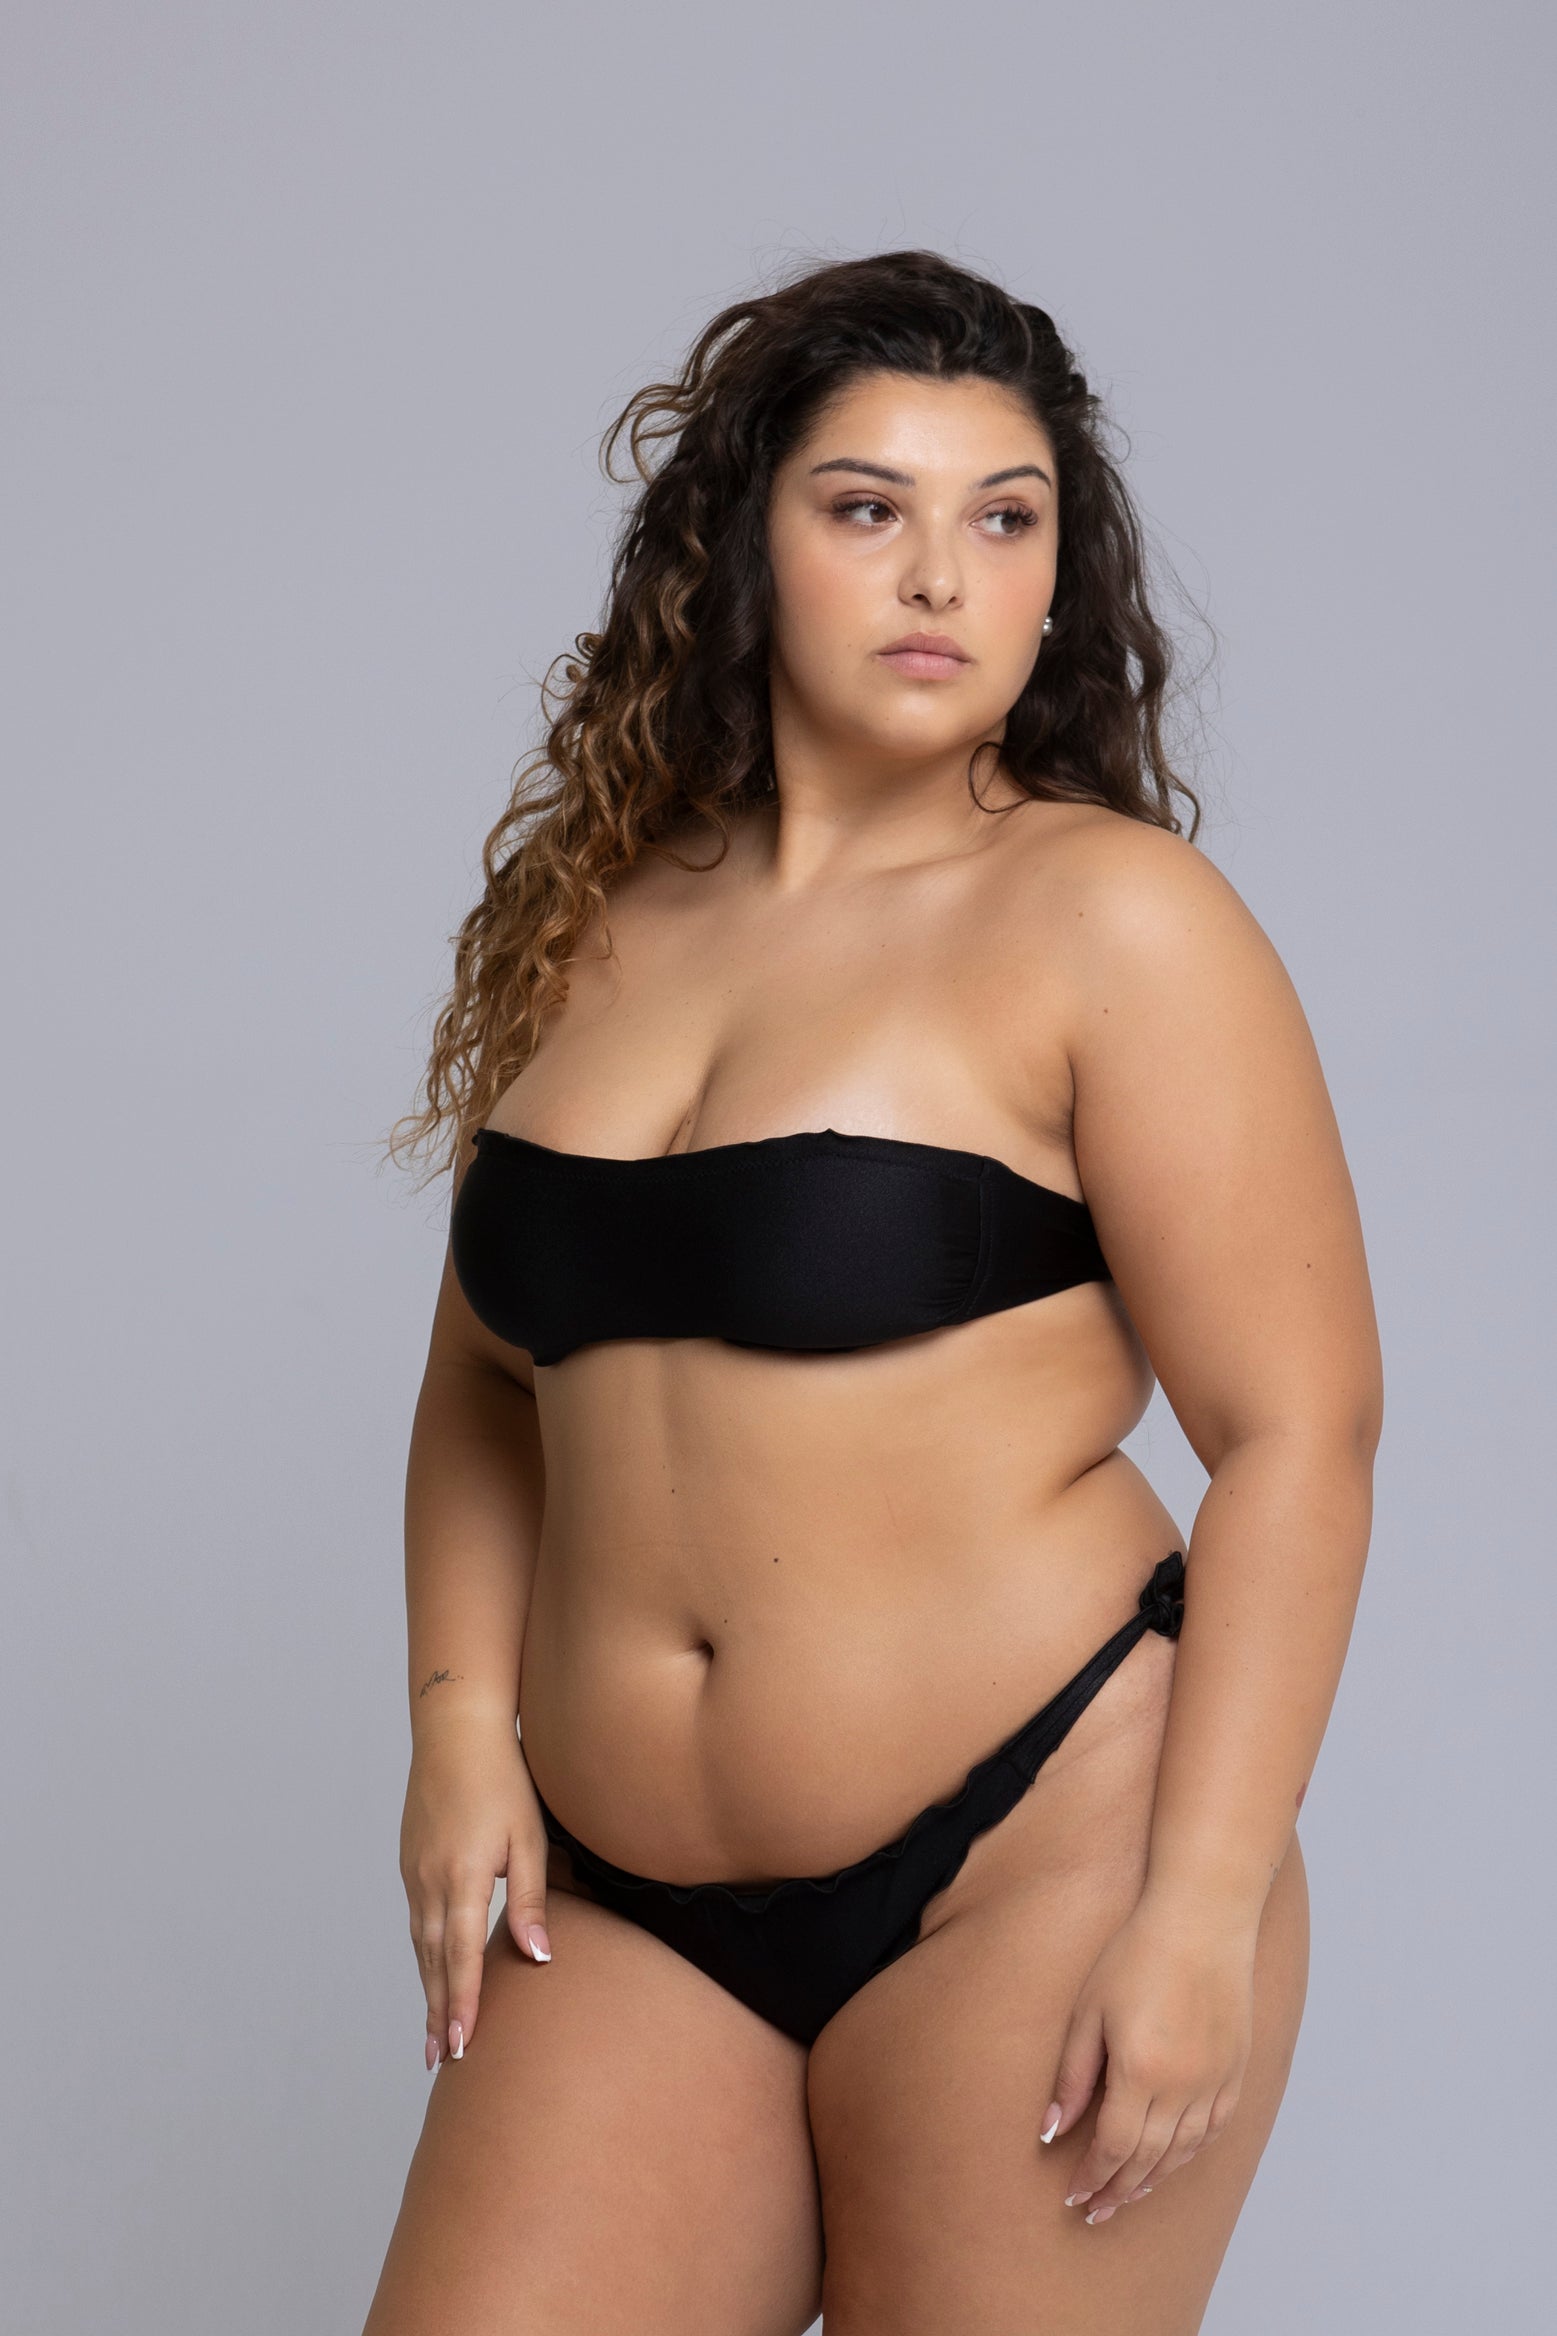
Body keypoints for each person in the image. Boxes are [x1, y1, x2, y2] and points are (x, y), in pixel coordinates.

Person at [363, 249, 1381, 2335]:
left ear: (1058, 579)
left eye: (1003, 519)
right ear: (744, 545)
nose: (938, 575)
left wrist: (1196, 1910)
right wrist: (457, 1726)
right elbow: (486, 1378)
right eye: (866, 507)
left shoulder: (1110, 917)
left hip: (1041, 1858)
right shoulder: (597, 919)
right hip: (623, 1895)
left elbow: (1299, 1433)